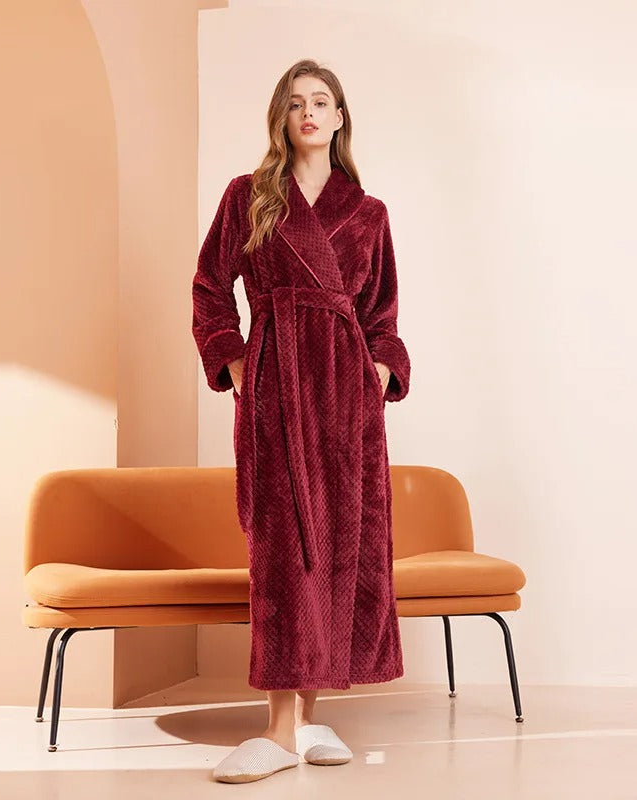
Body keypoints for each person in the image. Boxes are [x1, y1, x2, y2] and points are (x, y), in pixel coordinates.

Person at [192, 58, 411, 783]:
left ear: (341, 117)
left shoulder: (368, 212)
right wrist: (235, 363)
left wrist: (380, 368)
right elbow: (208, 286)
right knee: (284, 551)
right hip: (279, 387)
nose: (309, 113)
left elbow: (381, 313)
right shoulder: (248, 196)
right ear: (281, 119)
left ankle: (306, 720)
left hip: (347, 401)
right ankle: (276, 730)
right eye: (295, 104)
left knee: (337, 550)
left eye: (321, 102)